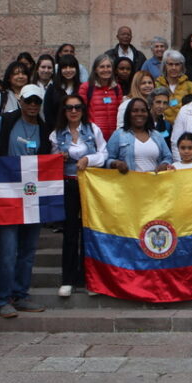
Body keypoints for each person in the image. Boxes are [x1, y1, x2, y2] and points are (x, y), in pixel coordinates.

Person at [0, 84, 53, 318]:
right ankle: (2, 298)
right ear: (20, 101)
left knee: (28, 250)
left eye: (37, 102)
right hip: (9, 193)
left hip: (33, 194)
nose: (33, 105)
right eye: (29, 100)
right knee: (8, 250)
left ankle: (21, 295)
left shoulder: (44, 128)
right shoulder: (5, 122)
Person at [49, 93, 107, 298]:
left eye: (77, 107)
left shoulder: (93, 130)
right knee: (71, 232)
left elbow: (104, 154)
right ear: (63, 112)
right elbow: (51, 162)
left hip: (90, 185)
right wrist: (59, 158)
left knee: (90, 231)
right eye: (69, 108)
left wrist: (88, 159)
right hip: (68, 184)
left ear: (83, 110)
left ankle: (89, 278)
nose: (73, 111)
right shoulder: (56, 135)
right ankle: (68, 279)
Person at [105, 98, 174, 173]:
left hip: (155, 182)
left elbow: (168, 157)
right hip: (128, 182)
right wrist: (116, 163)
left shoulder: (157, 135)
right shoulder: (119, 134)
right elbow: (107, 160)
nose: (139, 114)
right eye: (135, 111)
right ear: (128, 114)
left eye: (143, 111)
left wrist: (164, 164)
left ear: (148, 113)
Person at [78, 53, 123, 141]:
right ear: (95, 70)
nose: (105, 70)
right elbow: (81, 111)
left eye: (108, 66)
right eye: (102, 67)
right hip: (94, 136)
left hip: (114, 136)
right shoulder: (86, 87)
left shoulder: (117, 88)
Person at [156, 49, 192, 124]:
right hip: (162, 126)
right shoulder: (156, 85)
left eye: (177, 64)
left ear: (182, 66)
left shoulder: (190, 86)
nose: (174, 68)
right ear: (165, 66)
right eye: (170, 64)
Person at [0, 61, 30, 130]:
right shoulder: (0, 96)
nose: (21, 76)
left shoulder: (32, 95)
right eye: (16, 74)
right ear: (9, 77)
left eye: (24, 73)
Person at [43, 55, 82, 131]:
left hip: (79, 132)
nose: (68, 70)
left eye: (71, 67)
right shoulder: (52, 88)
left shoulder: (82, 87)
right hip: (57, 132)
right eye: (64, 67)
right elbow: (48, 113)